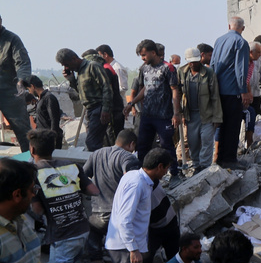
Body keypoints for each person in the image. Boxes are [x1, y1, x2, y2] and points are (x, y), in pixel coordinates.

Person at [28, 129, 98, 263]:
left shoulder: (34, 174)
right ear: (54, 148)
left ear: (32, 150)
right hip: (82, 230)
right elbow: (93, 190)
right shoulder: (71, 166)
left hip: (64, 235)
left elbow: (38, 210)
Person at [83, 130, 139, 263]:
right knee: (126, 247)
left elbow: (83, 176)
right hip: (118, 215)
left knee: (94, 233)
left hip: (97, 213)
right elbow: (133, 181)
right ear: (131, 144)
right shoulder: (128, 158)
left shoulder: (97, 154)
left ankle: (96, 261)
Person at [127, 39, 182, 176]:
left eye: (144, 55)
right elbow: (145, 88)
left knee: (166, 146)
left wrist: (176, 113)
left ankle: (174, 173)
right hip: (147, 115)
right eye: (141, 56)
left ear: (153, 52)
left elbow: (175, 90)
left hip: (163, 116)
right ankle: (142, 174)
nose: (142, 58)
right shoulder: (144, 69)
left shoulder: (168, 68)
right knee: (142, 145)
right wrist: (131, 103)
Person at [55, 48, 114, 151]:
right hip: (89, 110)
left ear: (74, 59)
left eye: (67, 64)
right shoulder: (80, 72)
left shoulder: (92, 66)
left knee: (92, 143)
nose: (66, 68)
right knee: (96, 141)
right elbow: (81, 92)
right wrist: (71, 79)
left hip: (98, 108)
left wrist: (105, 109)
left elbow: (107, 88)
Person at [211, 16, 250, 167]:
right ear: (243, 28)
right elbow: (241, 69)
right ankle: (229, 159)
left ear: (229, 26)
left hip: (218, 89)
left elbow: (213, 64)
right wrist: (243, 90)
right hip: (232, 90)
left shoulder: (219, 40)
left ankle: (220, 158)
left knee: (222, 125)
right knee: (232, 126)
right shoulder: (241, 43)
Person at [180, 46, 221, 172]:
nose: (193, 64)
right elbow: (177, 94)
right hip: (190, 115)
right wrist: (180, 114)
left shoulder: (209, 73)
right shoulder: (181, 72)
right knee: (193, 143)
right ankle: (196, 166)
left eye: (196, 61)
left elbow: (215, 96)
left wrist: (217, 117)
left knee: (207, 141)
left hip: (206, 114)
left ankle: (204, 167)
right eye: (191, 62)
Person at [0, 16, 32, 151]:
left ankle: (31, 159)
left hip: (10, 90)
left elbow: (22, 62)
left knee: (23, 130)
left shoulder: (12, 39)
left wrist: (21, 81)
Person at [25, 77, 63, 149]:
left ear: (32, 86)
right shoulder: (41, 99)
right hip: (43, 139)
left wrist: (53, 139)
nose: (30, 92)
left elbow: (54, 120)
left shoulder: (48, 98)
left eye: (29, 89)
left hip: (49, 140)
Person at [243, 40, 261, 150]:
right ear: (251, 52)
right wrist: (244, 93)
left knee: (252, 114)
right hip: (237, 96)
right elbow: (241, 79)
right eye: (258, 52)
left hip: (253, 94)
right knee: (249, 113)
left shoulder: (252, 63)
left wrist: (249, 92)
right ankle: (248, 143)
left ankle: (249, 144)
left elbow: (247, 81)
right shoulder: (243, 62)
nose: (260, 55)